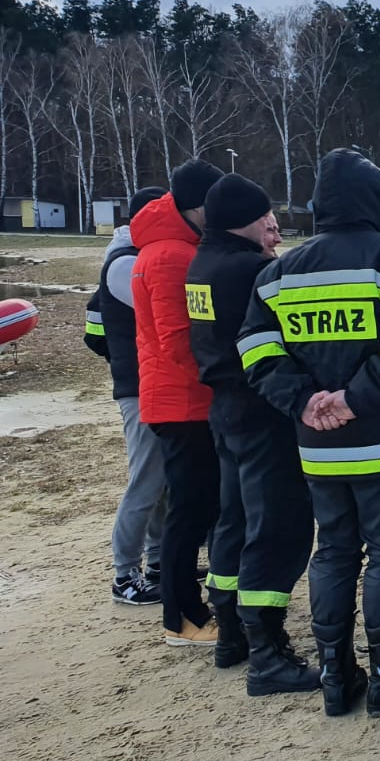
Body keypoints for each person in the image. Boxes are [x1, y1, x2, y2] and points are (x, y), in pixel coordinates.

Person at [238, 148, 380, 716]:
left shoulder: (278, 271)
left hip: (317, 443)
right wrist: (354, 399)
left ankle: (337, 677)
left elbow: (255, 349)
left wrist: (306, 400)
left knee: (334, 552)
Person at [187, 174, 319, 694]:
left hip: (226, 409)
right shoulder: (255, 269)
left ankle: (231, 635)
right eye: (265, 214)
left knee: (233, 521)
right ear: (244, 217)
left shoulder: (205, 262)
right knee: (278, 527)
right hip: (264, 409)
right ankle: (269, 656)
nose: (274, 222)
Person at [131, 158, 225, 647]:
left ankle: (188, 607)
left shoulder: (178, 246)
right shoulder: (170, 256)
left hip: (188, 400)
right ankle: (181, 618)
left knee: (197, 507)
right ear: (199, 207)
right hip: (182, 403)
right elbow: (179, 340)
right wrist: (225, 380)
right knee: (189, 511)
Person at [85, 185, 168, 607]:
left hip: (144, 383)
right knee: (146, 482)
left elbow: (93, 332)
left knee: (162, 483)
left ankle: (157, 562)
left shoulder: (125, 258)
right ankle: (124, 575)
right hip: (138, 388)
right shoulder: (125, 264)